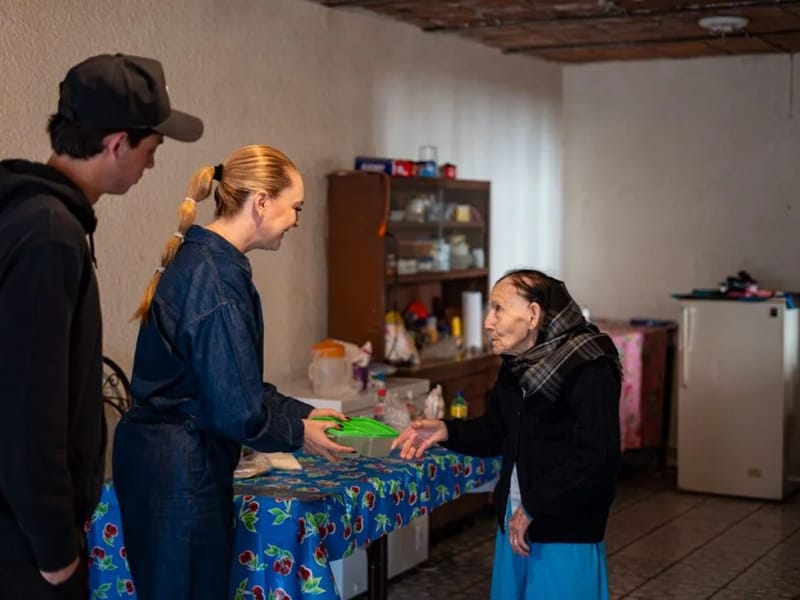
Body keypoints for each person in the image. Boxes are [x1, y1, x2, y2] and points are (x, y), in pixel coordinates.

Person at [0, 53, 203, 599]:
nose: (151, 167)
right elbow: (27, 405)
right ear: (117, 144)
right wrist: (55, 547)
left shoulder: (37, 218)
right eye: (151, 150)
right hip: (23, 546)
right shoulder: (48, 234)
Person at [112, 144, 354, 599]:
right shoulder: (214, 275)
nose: (298, 220)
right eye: (295, 207)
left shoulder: (215, 264)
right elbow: (236, 410)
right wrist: (299, 432)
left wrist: (305, 414)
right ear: (262, 202)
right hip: (177, 466)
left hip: (170, 459)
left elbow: (236, 381)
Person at [393, 269, 622, 599]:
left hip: (562, 531)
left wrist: (533, 506)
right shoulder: (517, 366)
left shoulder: (589, 367)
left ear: (532, 314)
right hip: (515, 521)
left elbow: (596, 461)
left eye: (498, 308)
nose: (488, 321)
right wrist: (445, 430)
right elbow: (496, 430)